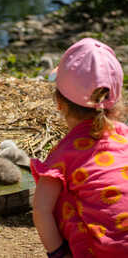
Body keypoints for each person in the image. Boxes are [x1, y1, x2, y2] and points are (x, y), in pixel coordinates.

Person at [30, 38, 128, 258]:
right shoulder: (125, 137)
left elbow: (40, 210)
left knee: (59, 194)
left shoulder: (62, 155)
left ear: (60, 103)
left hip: (103, 251)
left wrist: (57, 253)